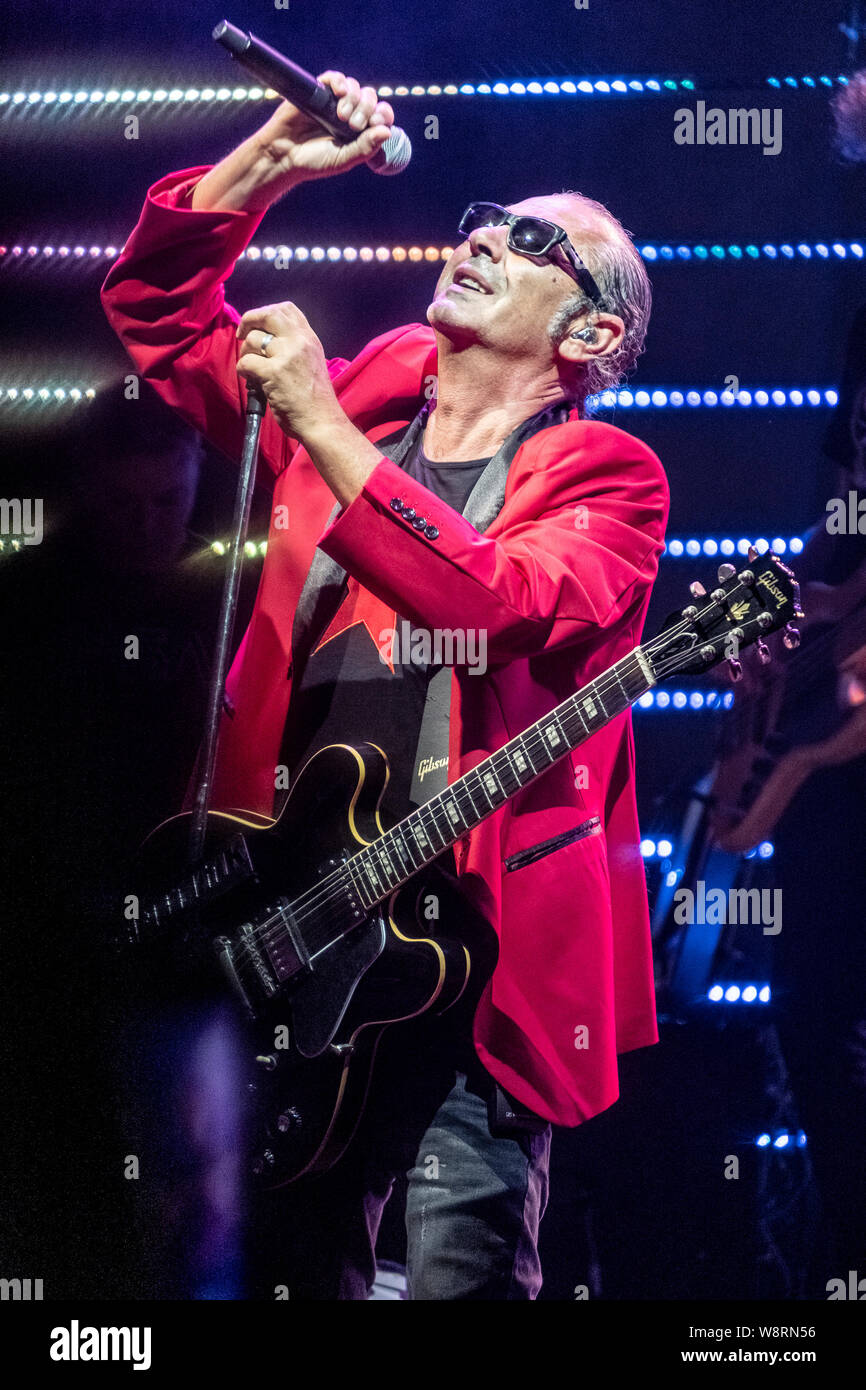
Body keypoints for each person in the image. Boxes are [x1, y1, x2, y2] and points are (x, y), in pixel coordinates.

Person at [100, 71, 669, 1299]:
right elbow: (156, 318)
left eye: (532, 241)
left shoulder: (609, 476)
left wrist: (314, 416)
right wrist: (268, 160)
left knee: (457, 1275)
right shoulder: (368, 395)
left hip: (473, 956)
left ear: (590, 338)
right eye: (482, 216)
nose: (480, 236)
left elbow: (492, 602)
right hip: (296, 924)